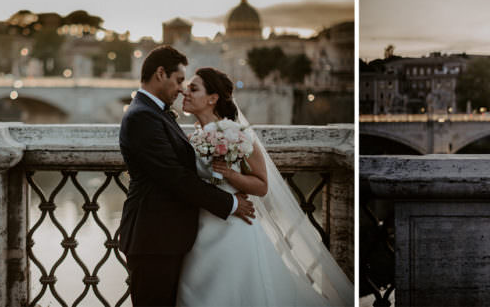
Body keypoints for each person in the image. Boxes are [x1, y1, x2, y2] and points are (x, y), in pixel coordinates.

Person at [175, 67, 352, 306]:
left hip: (233, 225)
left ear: (213, 98)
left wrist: (230, 175)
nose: (185, 93)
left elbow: (261, 185)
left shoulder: (236, 135)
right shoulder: (191, 137)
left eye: (193, 89)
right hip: (198, 226)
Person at [117, 46, 256, 306]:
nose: (182, 89)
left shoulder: (153, 112)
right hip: (153, 240)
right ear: (161, 73)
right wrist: (231, 203)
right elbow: (175, 177)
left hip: (166, 237)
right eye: (179, 80)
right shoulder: (142, 117)